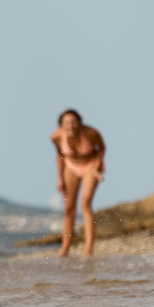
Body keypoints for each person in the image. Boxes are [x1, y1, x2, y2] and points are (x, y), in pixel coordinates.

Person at [51, 109, 105, 257]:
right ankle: (64, 249)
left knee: (85, 204)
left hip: (90, 165)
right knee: (68, 209)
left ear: (80, 123)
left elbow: (101, 148)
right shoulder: (56, 136)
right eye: (66, 123)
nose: (71, 126)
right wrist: (60, 177)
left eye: (74, 122)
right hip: (71, 166)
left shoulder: (90, 133)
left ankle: (88, 249)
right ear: (61, 125)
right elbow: (59, 155)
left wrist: (97, 167)